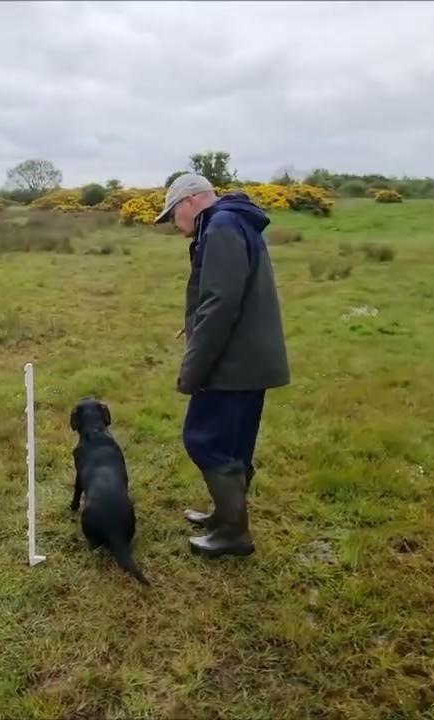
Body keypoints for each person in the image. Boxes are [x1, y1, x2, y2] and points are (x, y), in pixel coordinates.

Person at [154, 173, 290, 558]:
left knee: (204, 439)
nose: (173, 226)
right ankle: (226, 516)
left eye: (171, 216)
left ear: (189, 202)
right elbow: (228, 293)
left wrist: (193, 368)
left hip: (233, 362)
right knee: (233, 444)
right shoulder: (232, 221)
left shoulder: (222, 225)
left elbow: (221, 303)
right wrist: (194, 321)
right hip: (249, 357)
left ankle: (234, 533)